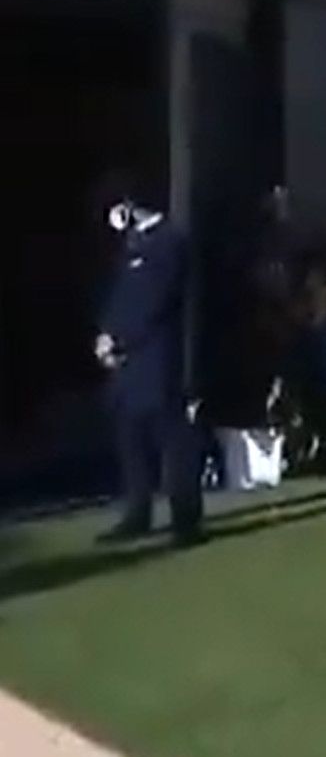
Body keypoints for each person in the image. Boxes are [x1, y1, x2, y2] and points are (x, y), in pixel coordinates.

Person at [94, 180, 204, 547]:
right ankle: (137, 513)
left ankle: (186, 521)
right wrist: (106, 335)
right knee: (131, 441)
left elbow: (154, 301)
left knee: (172, 443)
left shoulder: (169, 242)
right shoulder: (132, 245)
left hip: (158, 360)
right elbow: (121, 295)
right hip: (128, 364)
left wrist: (121, 338)